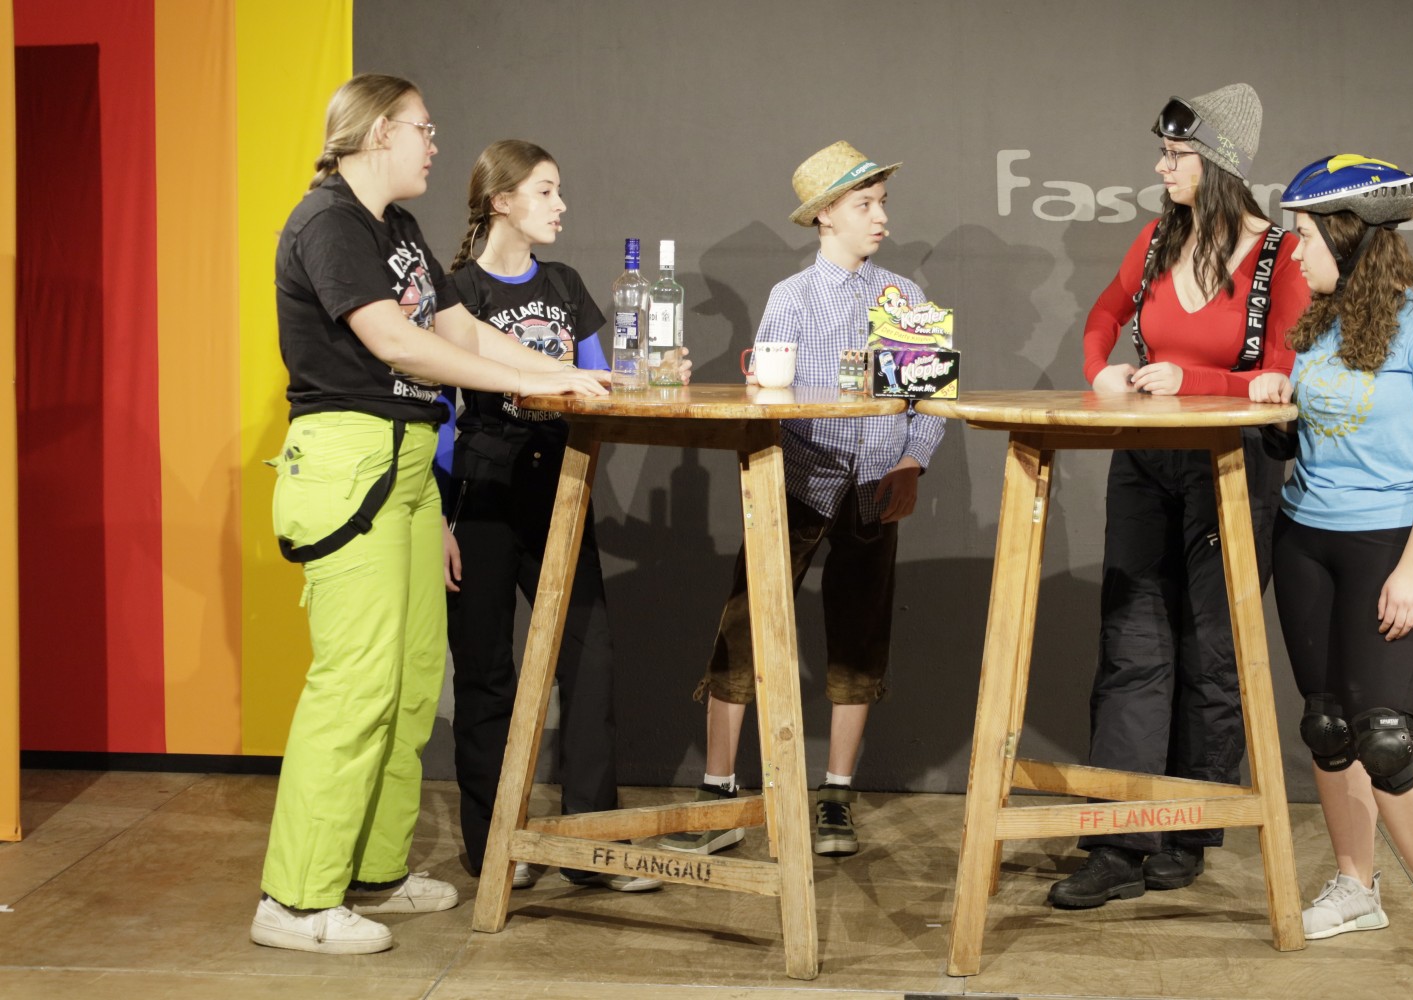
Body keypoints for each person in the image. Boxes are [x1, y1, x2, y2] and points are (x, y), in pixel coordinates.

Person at [253, 74, 606, 955]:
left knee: (412, 683)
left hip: (409, 462)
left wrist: (558, 371)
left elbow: (459, 331)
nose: (435, 144)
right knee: (355, 683)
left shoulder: (399, 229)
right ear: (378, 131)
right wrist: (528, 381)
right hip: (350, 456)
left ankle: (372, 869)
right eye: (423, 128)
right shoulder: (328, 220)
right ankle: (294, 899)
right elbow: (394, 341)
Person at [1055, 84, 1311, 909]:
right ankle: (1116, 838)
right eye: (1162, 155)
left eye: (1176, 156)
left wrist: (1192, 380)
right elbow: (1104, 314)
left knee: (1210, 647)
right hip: (1146, 459)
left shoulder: (1279, 256)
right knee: (1132, 641)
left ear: (1218, 163)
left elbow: (1280, 373)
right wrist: (1101, 370)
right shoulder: (1157, 238)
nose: (1161, 169)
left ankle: (1188, 827)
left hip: (1231, 467)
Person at [661, 141, 944, 859]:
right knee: (744, 629)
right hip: (797, 484)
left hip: (874, 488)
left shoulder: (904, 298)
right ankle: (719, 791)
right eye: (864, 205)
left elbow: (929, 399)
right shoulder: (790, 297)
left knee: (859, 636)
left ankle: (837, 794)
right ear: (825, 217)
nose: (880, 217)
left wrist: (912, 460)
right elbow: (766, 393)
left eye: (882, 204)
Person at [1256, 154, 1413, 979]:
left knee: (1385, 736)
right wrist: (1277, 413)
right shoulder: (1321, 322)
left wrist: (1412, 569)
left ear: (1346, 235)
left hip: (1389, 542)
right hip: (1305, 538)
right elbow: (1319, 431)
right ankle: (1356, 887)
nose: (1293, 253)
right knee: (1326, 725)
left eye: (1302, 237)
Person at [442, 140, 688, 894]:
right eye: (545, 191)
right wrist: (439, 518)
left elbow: (598, 381)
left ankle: (591, 843)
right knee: (487, 671)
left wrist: (652, 376)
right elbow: (440, 411)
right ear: (502, 200)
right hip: (481, 494)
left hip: (562, 487)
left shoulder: (566, 283)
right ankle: (493, 846)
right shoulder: (456, 291)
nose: (561, 205)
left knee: (590, 659)